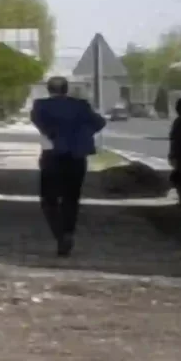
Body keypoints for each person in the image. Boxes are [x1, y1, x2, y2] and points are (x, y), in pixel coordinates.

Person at [29, 76, 106, 256]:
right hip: (77, 157)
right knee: (71, 199)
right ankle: (69, 232)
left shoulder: (41, 106)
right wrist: (81, 136)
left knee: (49, 199)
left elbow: (40, 123)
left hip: (52, 156)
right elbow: (100, 122)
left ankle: (60, 235)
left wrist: (57, 135)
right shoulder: (81, 105)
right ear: (66, 89)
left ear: (49, 89)